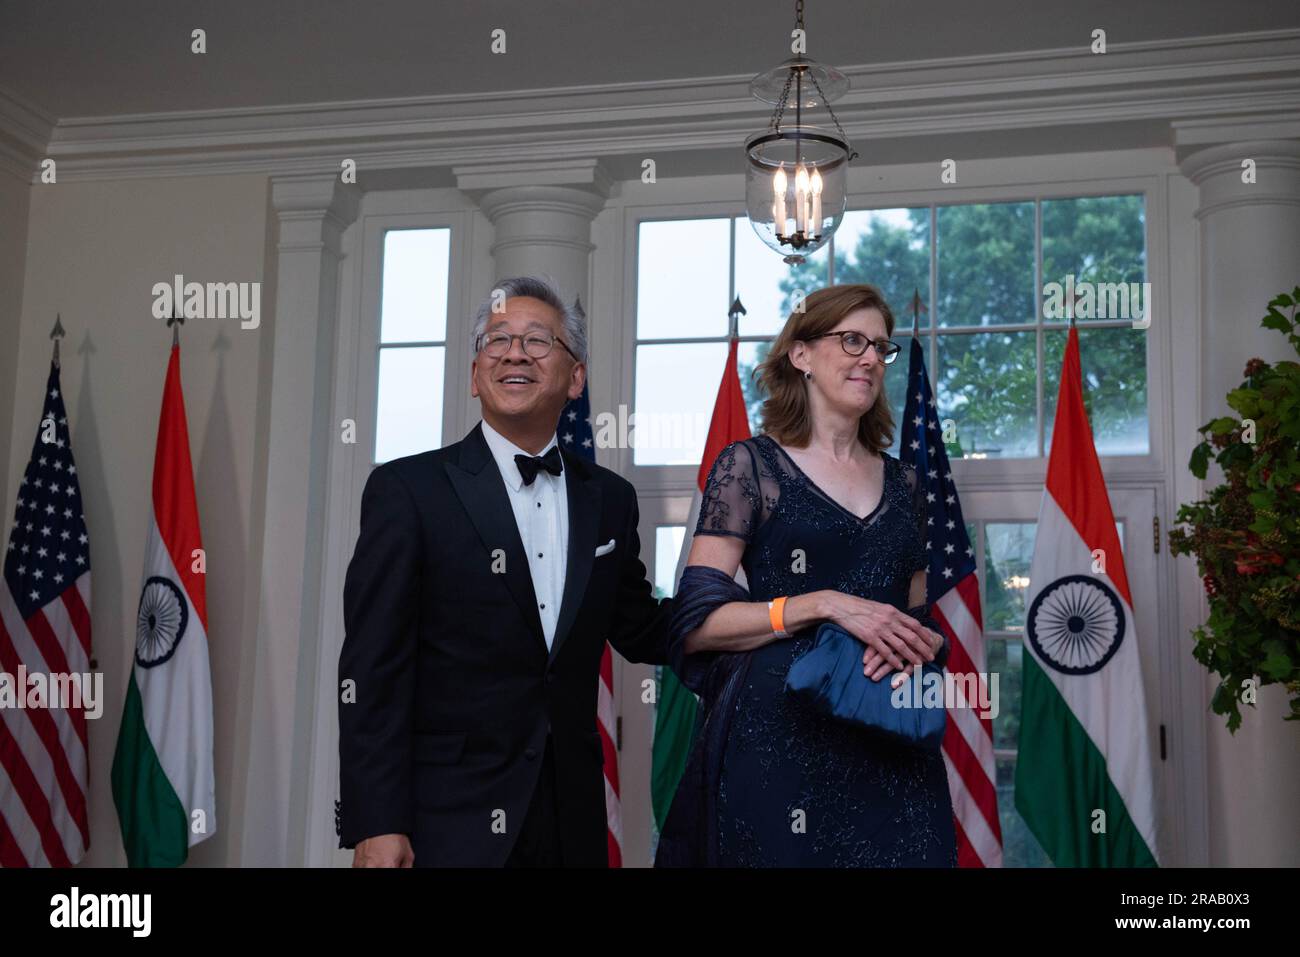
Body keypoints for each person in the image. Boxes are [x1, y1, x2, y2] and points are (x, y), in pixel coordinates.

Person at [337, 275, 672, 867]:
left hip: (573, 824)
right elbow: (373, 671)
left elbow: (644, 627)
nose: (514, 352)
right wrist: (377, 821)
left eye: (538, 341)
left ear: (575, 378)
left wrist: (781, 612)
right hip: (443, 825)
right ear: (474, 376)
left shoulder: (611, 499)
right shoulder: (407, 490)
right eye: (497, 341)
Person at [656, 283, 957, 867]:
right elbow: (696, 624)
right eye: (851, 341)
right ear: (801, 354)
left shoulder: (911, 487)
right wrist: (823, 603)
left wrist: (927, 644)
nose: (870, 358)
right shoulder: (749, 466)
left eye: (879, 347)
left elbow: (918, 623)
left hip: (889, 743)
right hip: (775, 739)